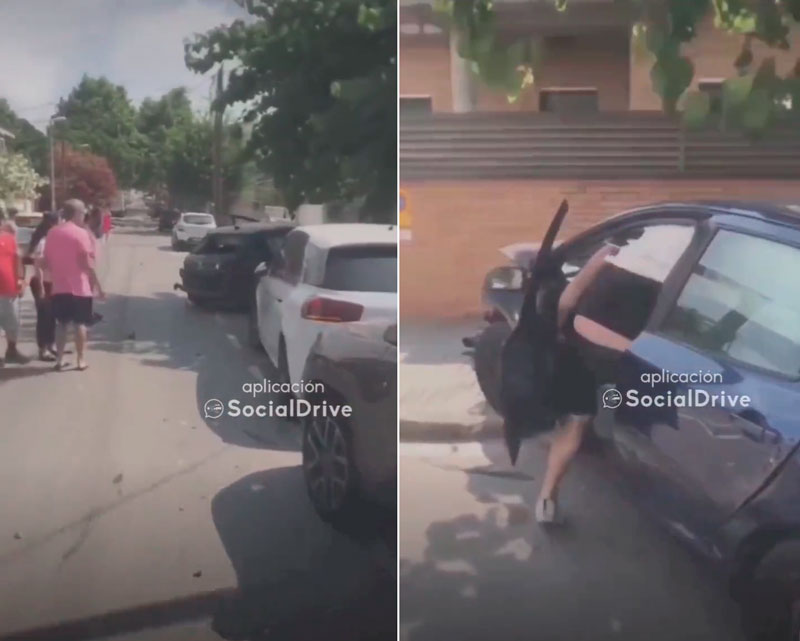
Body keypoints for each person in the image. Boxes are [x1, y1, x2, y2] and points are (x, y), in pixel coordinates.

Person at [534, 226, 694, 524]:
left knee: (575, 425)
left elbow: (568, 299)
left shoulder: (610, 255)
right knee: (618, 412)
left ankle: (547, 497)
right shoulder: (680, 277)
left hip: (581, 348)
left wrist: (555, 332)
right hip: (623, 359)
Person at [43, 199, 105, 371]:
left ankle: (60, 360)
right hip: (80, 288)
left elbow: (46, 262)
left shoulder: (52, 233)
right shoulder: (81, 234)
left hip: (59, 287)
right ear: (77, 213)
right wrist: (99, 288)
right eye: (83, 212)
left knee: (61, 324)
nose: (85, 215)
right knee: (80, 324)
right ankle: (80, 360)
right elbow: (87, 264)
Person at [27, 212, 59, 361]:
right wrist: (40, 289)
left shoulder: (52, 240)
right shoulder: (43, 242)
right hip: (43, 283)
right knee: (44, 317)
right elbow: (38, 268)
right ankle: (43, 349)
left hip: (51, 283)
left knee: (52, 316)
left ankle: (51, 344)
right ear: (52, 224)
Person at [0, 219, 29, 366]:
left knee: (13, 323)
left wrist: (21, 281)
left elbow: (18, 260)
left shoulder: (10, 240)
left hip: (9, 290)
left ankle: (12, 351)